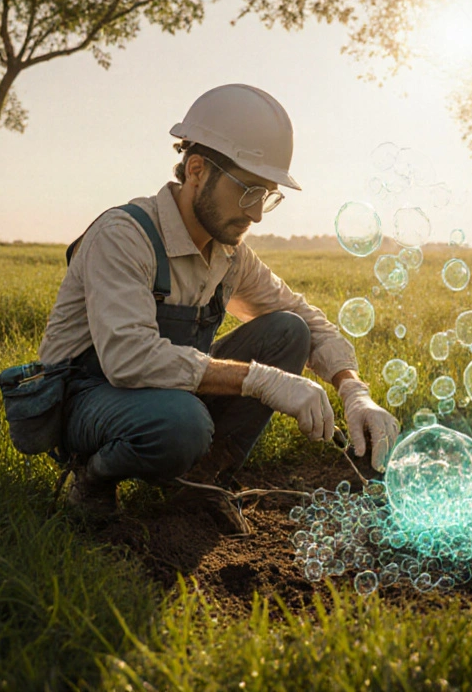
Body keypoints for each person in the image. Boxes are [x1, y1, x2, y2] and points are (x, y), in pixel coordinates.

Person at [37, 83, 399, 531]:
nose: (259, 214)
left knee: (288, 331)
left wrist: (353, 390)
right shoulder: (123, 236)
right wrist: (260, 380)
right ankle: (91, 480)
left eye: (267, 195)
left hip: (161, 394)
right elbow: (127, 359)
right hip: (87, 400)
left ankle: (201, 481)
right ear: (196, 170)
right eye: (249, 191)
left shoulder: (228, 254)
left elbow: (304, 318)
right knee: (181, 422)